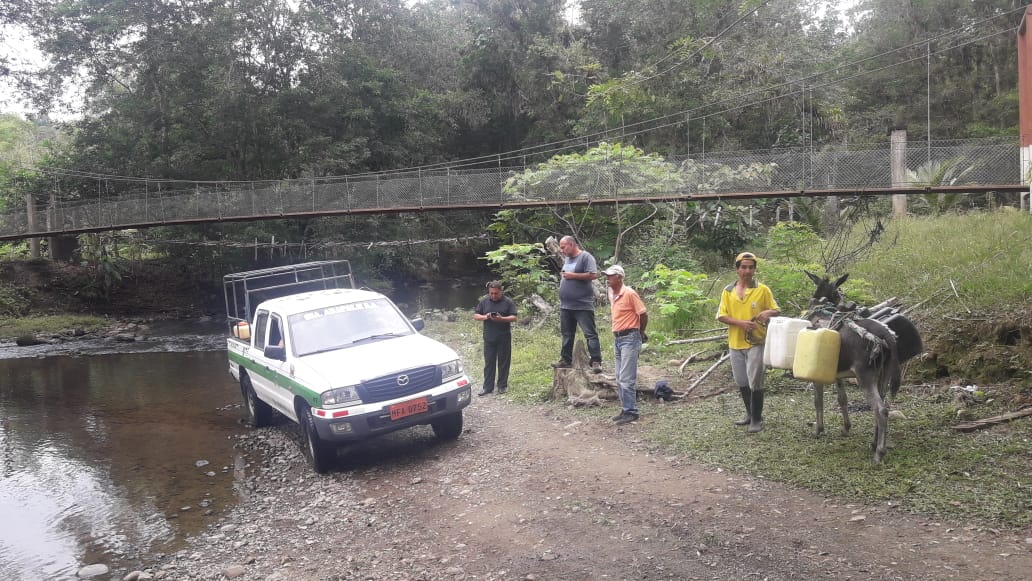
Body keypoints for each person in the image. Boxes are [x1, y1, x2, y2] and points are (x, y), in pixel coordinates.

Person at [716, 251, 780, 433]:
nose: (747, 271)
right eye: (743, 267)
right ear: (737, 269)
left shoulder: (763, 290)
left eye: (751, 267)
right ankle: (749, 414)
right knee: (742, 381)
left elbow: (776, 310)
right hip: (735, 342)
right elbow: (721, 315)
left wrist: (767, 313)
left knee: (755, 381)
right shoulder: (728, 291)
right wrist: (741, 323)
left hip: (756, 342)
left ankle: (757, 420)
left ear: (754, 269)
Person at [601, 265, 648, 426]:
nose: (607, 279)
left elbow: (643, 313)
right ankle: (625, 409)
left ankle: (631, 411)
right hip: (618, 338)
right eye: (606, 276)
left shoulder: (629, 293)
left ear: (619, 277)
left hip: (630, 337)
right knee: (619, 377)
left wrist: (641, 331)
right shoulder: (611, 293)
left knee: (627, 378)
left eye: (610, 276)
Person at [553, 235, 603, 373]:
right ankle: (565, 359)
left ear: (571, 244)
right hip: (566, 305)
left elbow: (593, 275)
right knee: (567, 334)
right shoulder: (568, 259)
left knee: (590, 334)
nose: (561, 250)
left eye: (563, 247)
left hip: (582, 305)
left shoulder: (585, 257)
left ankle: (596, 361)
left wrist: (573, 276)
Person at [473, 281, 518, 396]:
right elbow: (476, 315)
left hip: (504, 337)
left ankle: (502, 386)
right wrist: (486, 316)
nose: (493, 295)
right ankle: (487, 387)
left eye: (496, 293)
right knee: (489, 363)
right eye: (491, 293)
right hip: (489, 338)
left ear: (501, 291)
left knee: (503, 362)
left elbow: (514, 317)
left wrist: (502, 319)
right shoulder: (484, 301)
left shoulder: (508, 302)